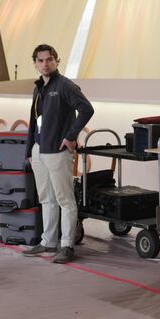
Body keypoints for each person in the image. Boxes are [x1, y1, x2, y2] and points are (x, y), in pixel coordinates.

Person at [24, 44, 94, 264]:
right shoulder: (38, 88)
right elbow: (33, 121)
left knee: (65, 200)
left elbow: (86, 109)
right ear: (35, 63)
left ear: (56, 61)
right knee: (47, 199)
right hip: (39, 150)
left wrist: (71, 136)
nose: (45, 64)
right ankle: (48, 241)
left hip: (57, 151)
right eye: (40, 60)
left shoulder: (64, 85)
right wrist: (29, 150)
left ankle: (67, 245)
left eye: (49, 60)